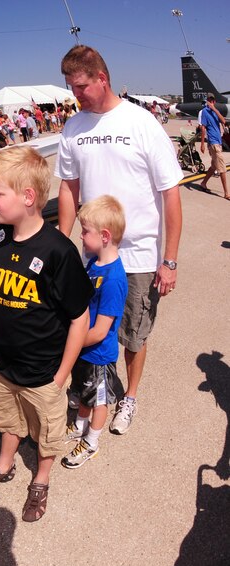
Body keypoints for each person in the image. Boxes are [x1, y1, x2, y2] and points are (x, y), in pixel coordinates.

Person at [56, 45, 183, 435]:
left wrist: (170, 259)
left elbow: (171, 194)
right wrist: (62, 247)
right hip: (92, 254)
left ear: (102, 79)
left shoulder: (140, 122)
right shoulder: (73, 128)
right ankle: (97, 394)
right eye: (70, 87)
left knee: (132, 331)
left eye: (81, 87)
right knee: (91, 328)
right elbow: (68, 189)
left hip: (140, 256)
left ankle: (130, 396)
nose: (75, 95)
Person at [0, 146, 92, 522]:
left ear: (28, 197)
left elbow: (80, 317)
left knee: (47, 431)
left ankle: (40, 479)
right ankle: (4, 466)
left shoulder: (58, 251)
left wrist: (61, 374)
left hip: (44, 371)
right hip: (3, 363)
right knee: (7, 420)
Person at [62, 196, 128, 469]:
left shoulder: (113, 278)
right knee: (83, 392)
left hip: (98, 353)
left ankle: (92, 441)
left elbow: (101, 330)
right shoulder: (93, 264)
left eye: (85, 231)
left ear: (104, 236)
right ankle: (79, 425)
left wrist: (71, 345)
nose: (80, 235)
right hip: (84, 349)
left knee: (99, 400)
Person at [199, 94, 229, 200]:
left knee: (214, 166)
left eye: (212, 100)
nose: (211, 102)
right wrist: (202, 143)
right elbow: (203, 128)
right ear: (207, 101)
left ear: (214, 101)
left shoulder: (215, 112)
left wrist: (214, 109)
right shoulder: (204, 112)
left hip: (218, 142)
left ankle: (203, 183)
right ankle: (226, 193)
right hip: (213, 143)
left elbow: (224, 121)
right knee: (222, 168)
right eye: (209, 100)